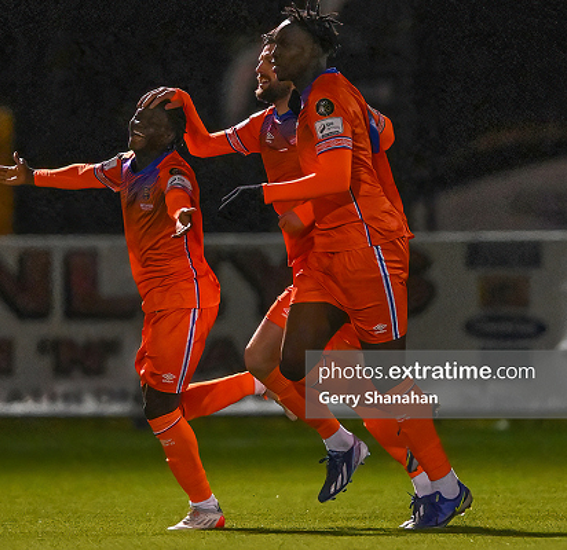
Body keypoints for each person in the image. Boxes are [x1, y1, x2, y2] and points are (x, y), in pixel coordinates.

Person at [138, 38, 434, 506]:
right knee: (265, 359)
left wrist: (305, 209)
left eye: (269, 60)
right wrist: (188, 105)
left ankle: (427, 479)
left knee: (358, 389)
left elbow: (375, 144)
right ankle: (348, 446)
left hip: (339, 262)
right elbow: (202, 144)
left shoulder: (320, 112)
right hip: (311, 269)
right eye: (260, 59)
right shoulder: (267, 125)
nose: (259, 66)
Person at [221, 1, 473, 529]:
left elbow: (326, 191)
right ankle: (372, 453)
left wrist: (278, 196)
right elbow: (385, 135)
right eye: (267, 50)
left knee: (376, 381)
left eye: (279, 49)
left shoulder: (324, 101)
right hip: (325, 262)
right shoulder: (294, 114)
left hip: (363, 248)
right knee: (289, 364)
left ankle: (439, 484)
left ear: (309, 55)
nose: (266, 60)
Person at [0, 100, 269, 530]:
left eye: (150, 123)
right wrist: (32, 176)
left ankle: (206, 508)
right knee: (164, 405)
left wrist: (182, 214)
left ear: (169, 135)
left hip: (184, 297)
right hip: (161, 301)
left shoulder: (173, 170)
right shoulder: (128, 167)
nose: (137, 126)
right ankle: (259, 383)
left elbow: (179, 194)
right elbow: (84, 173)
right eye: (136, 118)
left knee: (159, 406)